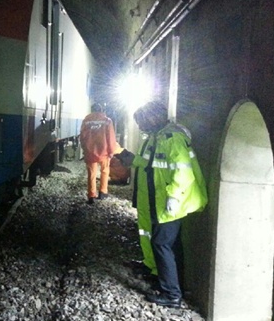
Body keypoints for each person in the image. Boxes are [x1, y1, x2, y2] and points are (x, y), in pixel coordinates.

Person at [115, 101, 208, 308]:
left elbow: (183, 173)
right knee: (170, 244)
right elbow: (150, 163)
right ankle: (171, 284)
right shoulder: (157, 137)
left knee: (162, 243)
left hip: (170, 200)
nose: (141, 127)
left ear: (154, 118)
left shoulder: (171, 138)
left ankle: (172, 294)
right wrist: (132, 159)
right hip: (158, 199)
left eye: (142, 122)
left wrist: (173, 198)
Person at [79, 103, 118, 203]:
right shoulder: (107, 121)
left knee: (91, 173)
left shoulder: (86, 121)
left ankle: (91, 195)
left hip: (90, 151)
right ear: (101, 110)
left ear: (91, 110)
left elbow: (82, 137)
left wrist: (85, 149)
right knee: (105, 171)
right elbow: (110, 137)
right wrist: (111, 151)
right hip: (104, 152)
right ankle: (102, 192)